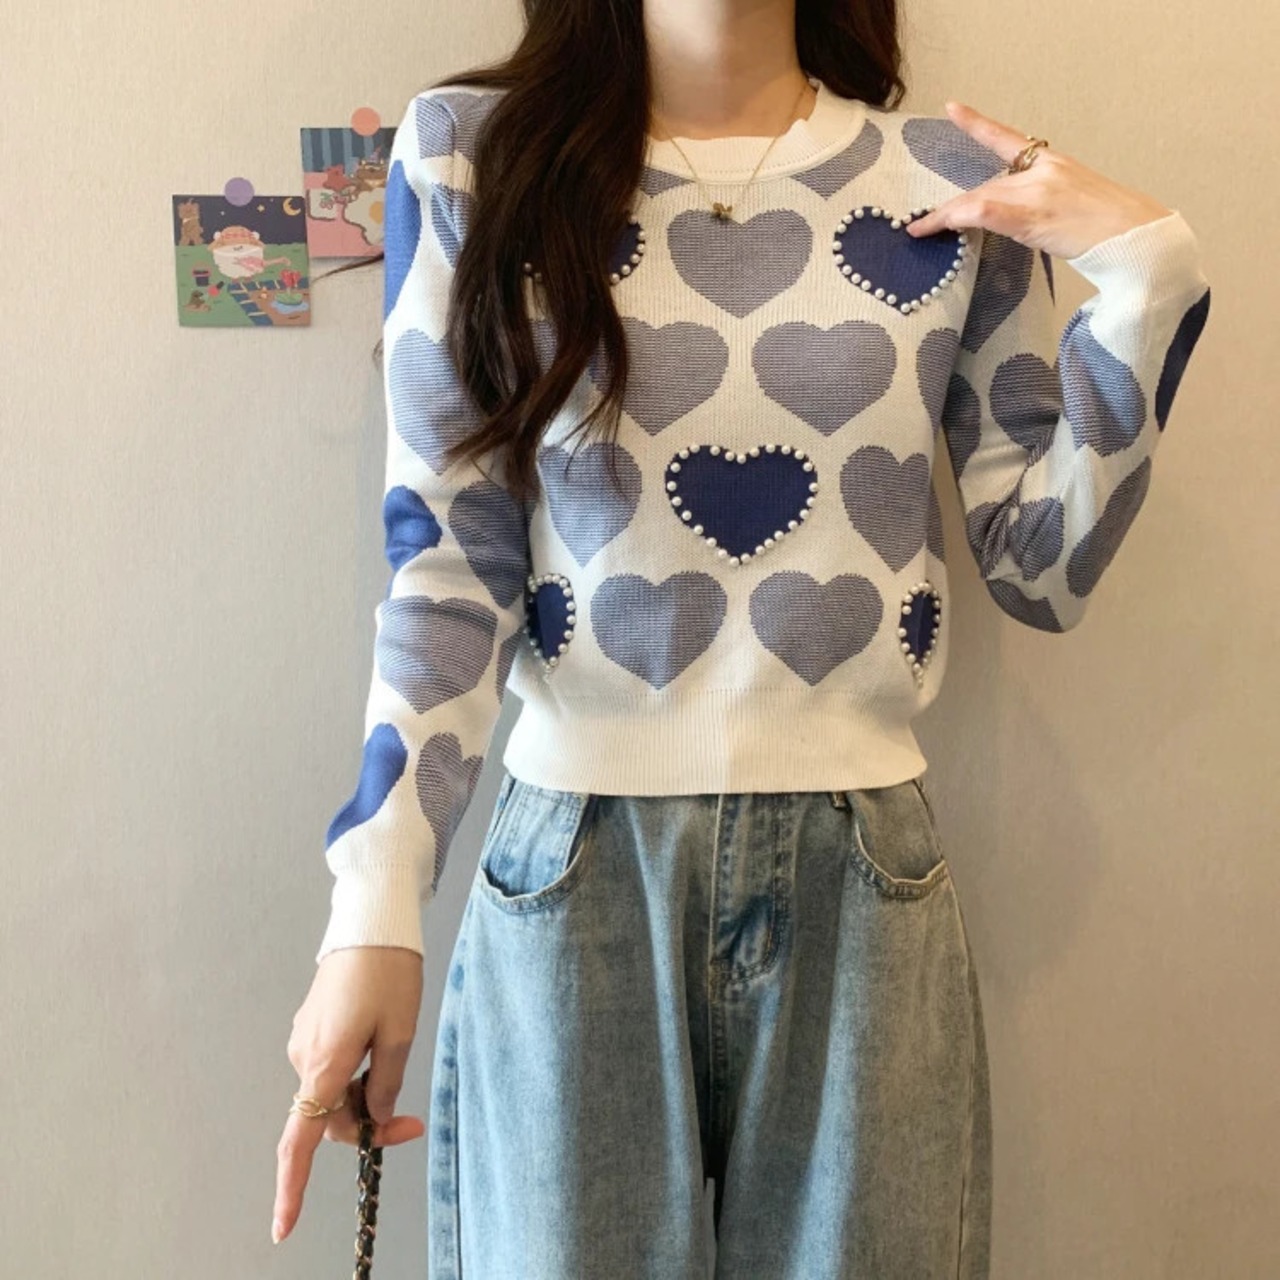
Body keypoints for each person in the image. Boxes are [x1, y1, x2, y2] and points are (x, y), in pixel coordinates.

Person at [272, 1, 1212, 1274]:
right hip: (573, 870)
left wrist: (1145, 274)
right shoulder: (470, 158)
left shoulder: (948, 184)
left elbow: (1039, 569)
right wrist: (374, 907)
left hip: (863, 885)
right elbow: (447, 560)